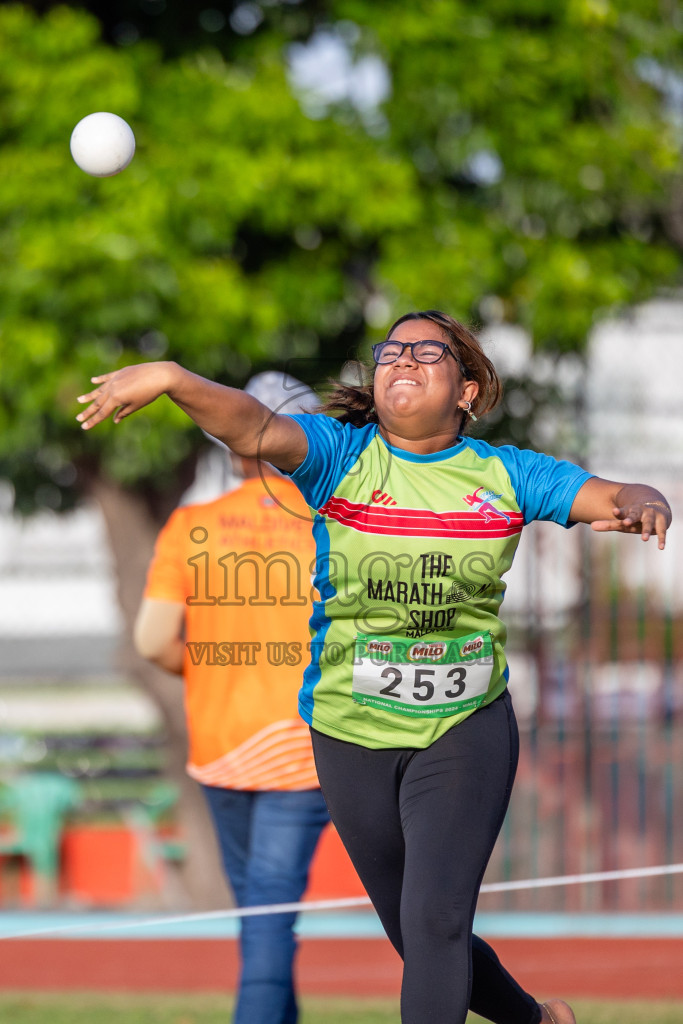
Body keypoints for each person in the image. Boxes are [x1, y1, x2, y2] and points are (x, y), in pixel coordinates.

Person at [77, 310, 672, 1024]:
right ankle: (534, 1022)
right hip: (348, 731)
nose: (403, 360)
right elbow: (252, 426)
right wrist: (175, 379)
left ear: (468, 391)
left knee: (434, 922)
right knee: (409, 932)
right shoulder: (339, 455)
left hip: (461, 728)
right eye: (391, 351)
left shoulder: (507, 474)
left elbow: (606, 496)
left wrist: (643, 500)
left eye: (428, 352)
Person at [133, 372, 330, 1024]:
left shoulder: (191, 524)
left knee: (260, 915)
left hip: (219, 744)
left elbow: (153, 640)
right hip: (304, 750)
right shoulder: (331, 525)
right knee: (267, 918)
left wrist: (210, 670)